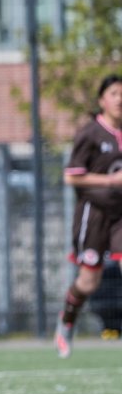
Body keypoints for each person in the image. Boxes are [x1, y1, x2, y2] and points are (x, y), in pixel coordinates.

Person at [55, 73, 122, 358]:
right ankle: (66, 322)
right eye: (115, 93)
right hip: (93, 214)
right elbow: (72, 177)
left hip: (121, 214)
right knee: (88, 282)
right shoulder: (90, 133)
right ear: (102, 100)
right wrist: (110, 181)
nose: (120, 99)